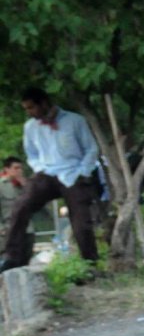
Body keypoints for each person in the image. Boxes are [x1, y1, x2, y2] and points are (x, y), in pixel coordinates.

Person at [0, 88, 102, 272]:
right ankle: (12, 257)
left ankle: (90, 265)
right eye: (26, 109)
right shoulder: (30, 126)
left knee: (81, 222)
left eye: (31, 107)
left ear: (44, 103)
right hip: (46, 174)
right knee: (21, 206)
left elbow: (91, 149)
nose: (29, 112)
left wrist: (82, 172)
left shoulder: (75, 121)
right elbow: (31, 153)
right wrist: (40, 169)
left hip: (72, 173)